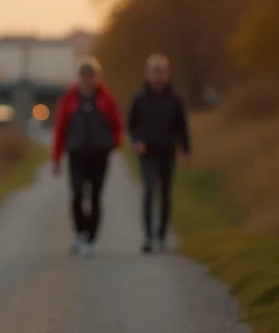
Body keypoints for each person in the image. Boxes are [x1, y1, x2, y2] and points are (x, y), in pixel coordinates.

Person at [51, 57, 124, 258]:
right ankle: (79, 233)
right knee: (76, 195)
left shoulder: (106, 99)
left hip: (99, 155)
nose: (87, 80)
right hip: (76, 154)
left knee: (95, 197)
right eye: (83, 76)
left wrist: (114, 143)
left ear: (96, 78)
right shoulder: (69, 100)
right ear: (79, 78)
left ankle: (90, 239)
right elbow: (60, 130)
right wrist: (56, 158)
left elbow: (117, 124)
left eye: (90, 76)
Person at [128, 53, 191, 253]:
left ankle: (162, 234)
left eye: (161, 71)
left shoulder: (175, 101)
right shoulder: (139, 100)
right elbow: (132, 125)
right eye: (154, 71)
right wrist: (137, 141)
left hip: (167, 152)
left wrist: (186, 150)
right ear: (147, 74)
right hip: (147, 153)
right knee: (148, 190)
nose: (158, 75)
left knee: (165, 194)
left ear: (167, 74)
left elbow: (182, 128)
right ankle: (148, 237)